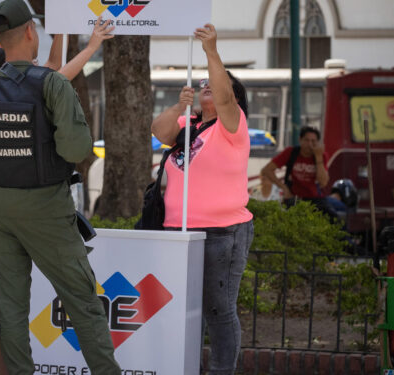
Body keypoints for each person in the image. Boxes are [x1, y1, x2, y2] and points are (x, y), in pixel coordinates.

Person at [0, 1, 121, 374]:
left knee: (10, 309)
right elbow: (76, 150)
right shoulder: (53, 83)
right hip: (45, 206)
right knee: (82, 302)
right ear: (31, 31)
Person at [151, 24, 254, 375]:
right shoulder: (190, 123)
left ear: (235, 99)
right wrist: (179, 105)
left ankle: (221, 371)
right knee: (180, 307)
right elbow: (160, 132)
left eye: (217, 84)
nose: (207, 86)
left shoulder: (232, 125)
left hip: (221, 232)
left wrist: (212, 51)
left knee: (218, 310)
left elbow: (223, 97)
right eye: (204, 83)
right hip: (178, 232)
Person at [261, 126, 330, 207]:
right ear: (300, 140)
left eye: (313, 141)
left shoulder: (321, 156)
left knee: (334, 217)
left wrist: (318, 157)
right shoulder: (291, 152)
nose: (309, 144)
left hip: (315, 199)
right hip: (294, 198)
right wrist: (284, 188)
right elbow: (266, 170)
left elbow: (323, 182)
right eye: (306, 140)